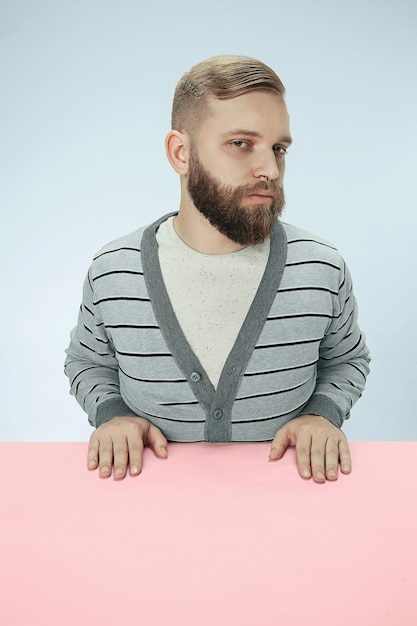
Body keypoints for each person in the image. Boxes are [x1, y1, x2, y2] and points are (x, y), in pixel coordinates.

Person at [65, 55, 370, 483]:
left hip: (293, 514)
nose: (270, 170)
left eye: (278, 148)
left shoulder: (321, 266)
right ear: (180, 152)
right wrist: (112, 415)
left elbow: (347, 358)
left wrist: (323, 415)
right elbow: (86, 361)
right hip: (144, 511)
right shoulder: (115, 270)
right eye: (242, 143)